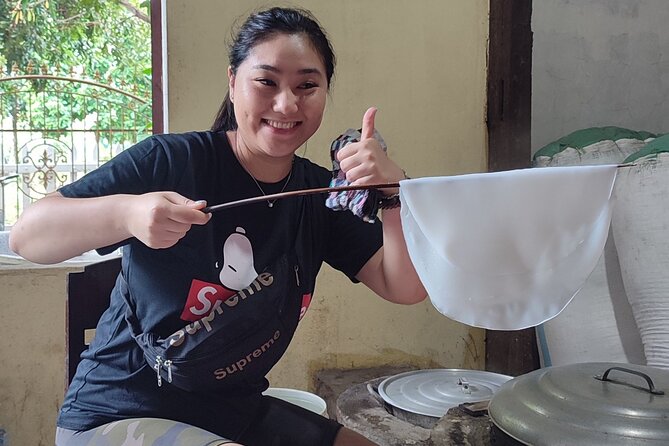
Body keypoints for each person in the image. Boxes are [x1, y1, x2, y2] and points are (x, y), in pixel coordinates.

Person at [10, 6, 426, 446]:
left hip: (231, 406)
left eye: (307, 85)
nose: (286, 103)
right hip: (117, 409)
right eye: (266, 82)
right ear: (232, 83)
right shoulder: (172, 161)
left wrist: (393, 196)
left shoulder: (315, 194)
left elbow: (404, 286)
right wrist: (126, 214)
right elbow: (27, 236)